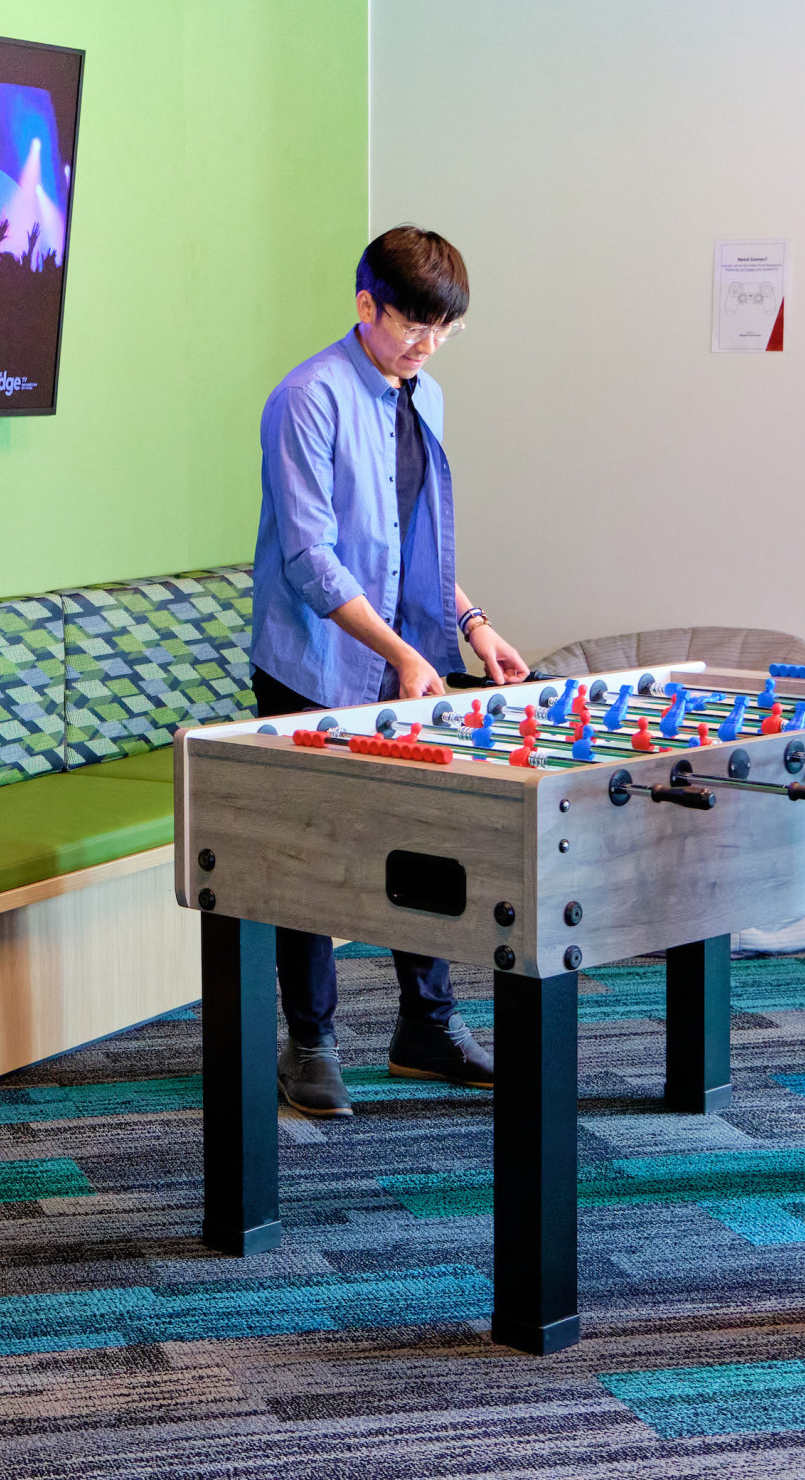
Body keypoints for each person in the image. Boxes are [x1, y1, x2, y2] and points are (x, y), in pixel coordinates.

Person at [251, 226, 531, 1118]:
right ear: (365, 305)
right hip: (316, 665)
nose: (426, 343)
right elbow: (312, 561)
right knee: (312, 859)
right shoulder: (307, 399)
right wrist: (403, 650)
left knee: (426, 840)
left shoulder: (427, 398)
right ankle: (310, 1042)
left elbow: (413, 551)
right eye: (413, 323)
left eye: (443, 328)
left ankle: (426, 1025)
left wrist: (470, 623)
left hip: (403, 660)